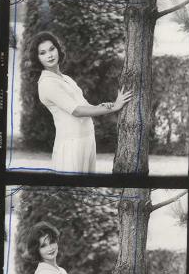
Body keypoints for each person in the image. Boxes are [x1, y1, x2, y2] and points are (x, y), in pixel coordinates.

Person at [30, 32, 132, 173]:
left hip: (87, 139)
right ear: (38, 58)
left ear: (58, 49)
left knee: (87, 186)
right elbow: (77, 111)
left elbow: (85, 106)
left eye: (52, 49)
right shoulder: (47, 83)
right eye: (43, 53)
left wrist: (105, 105)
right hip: (72, 144)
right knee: (73, 186)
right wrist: (115, 107)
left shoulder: (66, 79)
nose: (49, 55)